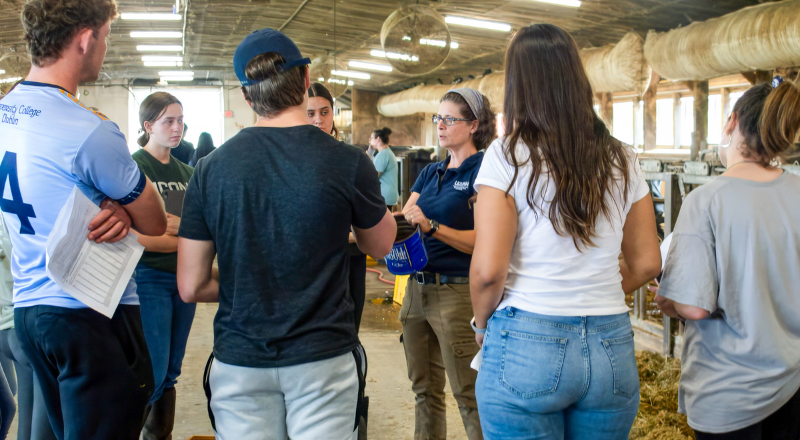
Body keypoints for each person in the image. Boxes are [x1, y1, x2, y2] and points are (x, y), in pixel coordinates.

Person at [176, 28, 396, 440]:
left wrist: (250, 282)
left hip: (240, 359)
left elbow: (190, 285)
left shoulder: (209, 170)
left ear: (246, 96)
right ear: (306, 79)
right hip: (322, 357)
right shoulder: (348, 161)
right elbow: (381, 245)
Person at [469, 24, 661, 440]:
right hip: (611, 344)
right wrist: (599, 289)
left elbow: (488, 272)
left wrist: (482, 326)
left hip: (527, 337)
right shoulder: (622, 158)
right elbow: (647, 262)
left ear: (518, 83)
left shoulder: (506, 156)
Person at [0, 0, 168, 438]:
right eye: (107, 37)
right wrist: (119, 207)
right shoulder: (87, 128)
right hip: (88, 311)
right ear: (85, 38)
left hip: (31, 312)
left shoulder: (5, 110)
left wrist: (100, 202)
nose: (105, 48)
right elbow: (153, 220)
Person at [656, 78, 800, 439]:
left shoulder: (706, 201)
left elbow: (694, 307)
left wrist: (667, 294)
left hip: (729, 392)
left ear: (731, 122)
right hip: (793, 382)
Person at [399, 87, 496, 440]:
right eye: (437, 118)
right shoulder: (431, 172)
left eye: (449, 119)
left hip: (456, 293)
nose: (440, 125)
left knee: (468, 394)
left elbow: (486, 241)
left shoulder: (483, 170)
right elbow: (407, 216)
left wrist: (433, 227)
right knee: (424, 390)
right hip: (416, 289)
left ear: (473, 125)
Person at [132, 92, 196, 440]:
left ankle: (160, 435)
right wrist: (176, 230)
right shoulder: (135, 168)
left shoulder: (189, 172)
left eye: (180, 120)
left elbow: (198, 228)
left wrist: (173, 227)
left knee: (171, 370)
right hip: (149, 278)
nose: (177, 128)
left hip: (185, 278)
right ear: (148, 125)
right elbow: (135, 234)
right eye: (168, 121)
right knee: (153, 370)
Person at [307, 82, 367, 332]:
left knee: (348, 332)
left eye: (324, 112)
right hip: (310, 265)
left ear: (333, 115)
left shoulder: (351, 160)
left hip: (349, 262)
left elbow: (368, 223)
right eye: (310, 113)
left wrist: (352, 235)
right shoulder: (288, 160)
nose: (319, 120)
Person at [0, 215, 56, 440]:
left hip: (9, 328)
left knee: (17, 412)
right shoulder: (13, 212)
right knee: (40, 426)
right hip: (22, 326)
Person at [368, 127, 399, 208]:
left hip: (384, 195)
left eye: (371, 138)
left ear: (378, 139)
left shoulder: (383, 154)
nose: (369, 141)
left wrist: (367, 158)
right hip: (388, 195)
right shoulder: (386, 152)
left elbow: (373, 176)